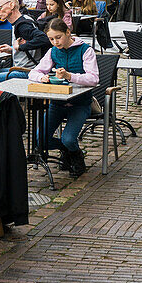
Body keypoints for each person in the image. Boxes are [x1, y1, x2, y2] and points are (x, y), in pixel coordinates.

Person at [28, 18, 99, 177]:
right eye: (51, 39)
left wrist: (69, 76)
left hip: (80, 104)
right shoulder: (53, 51)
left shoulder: (85, 50)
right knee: (39, 140)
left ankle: (76, 156)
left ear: (68, 32)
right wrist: (41, 78)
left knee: (68, 138)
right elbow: (34, 72)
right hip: (57, 104)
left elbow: (94, 79)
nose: (55, 42)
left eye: (58, 37)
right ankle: (67, 150)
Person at [0, 0, 52, 80]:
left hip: (27, 71)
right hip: (20, 69)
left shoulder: (23, 25)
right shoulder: (23, 20)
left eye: (0, 8)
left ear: (11, 5)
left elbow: (44, 39)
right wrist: (12, 49)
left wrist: (20, 47)